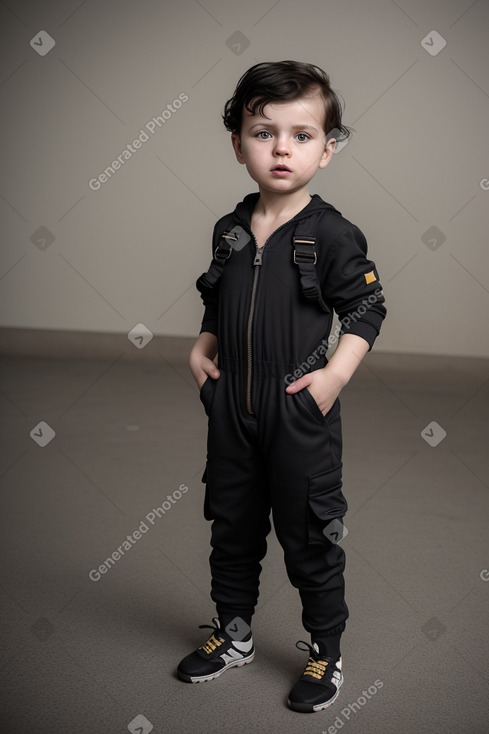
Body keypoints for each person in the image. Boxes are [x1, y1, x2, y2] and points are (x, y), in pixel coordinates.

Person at [177, 60, 386, 714]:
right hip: (231, 410)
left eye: (300, 135)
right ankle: (234, 636)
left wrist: (334, 377)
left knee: (310, 535)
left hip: (298, 413)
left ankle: (326, 649)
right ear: (238, 143)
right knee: (231, 529)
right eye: (263, 132)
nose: (280, 148)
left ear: (326, 151)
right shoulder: (230, 228)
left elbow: (364, 310)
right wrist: (205, 343)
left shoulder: (329, 233)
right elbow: (219, 298)